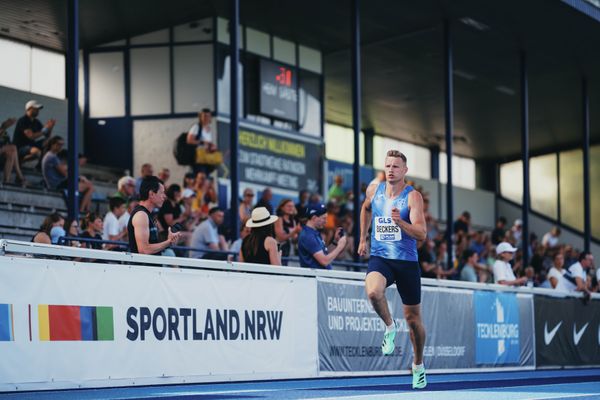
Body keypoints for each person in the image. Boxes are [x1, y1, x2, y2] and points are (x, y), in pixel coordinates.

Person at [357, 149, 427, 390]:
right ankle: (389, 326)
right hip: (381, 258)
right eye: (388, 165)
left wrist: (401, 222)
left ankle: (418, 364)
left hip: (407, 262)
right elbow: (366, 209)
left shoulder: (412, 197)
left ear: (404, 171)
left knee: (413, 320)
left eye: (396, 166)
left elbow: (422, 234)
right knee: (374, 292)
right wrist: (363, 238)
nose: (391, 170)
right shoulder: (373, 190)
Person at [128, 176, 181, 255]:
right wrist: (168, 242)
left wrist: (169, 240)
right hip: (143, 267)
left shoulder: (148, 215)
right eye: (162, 192)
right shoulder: (141, 215)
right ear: (151, 194)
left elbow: (152, 246)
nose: (165, 196)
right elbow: (144, 250)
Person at [41, 139, 95, 213]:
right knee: (90, 186)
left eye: (62, 145)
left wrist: (80, 178)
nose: (60, 147)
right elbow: (66, 174)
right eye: (58, 144)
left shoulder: (52, 156)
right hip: (57, 184)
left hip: (61, 182)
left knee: (89, 185)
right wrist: (79, 175)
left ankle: (86, 210)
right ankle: (82, 210)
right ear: (52, 145)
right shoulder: (52, 157)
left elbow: (65, 171)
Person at [187, 108, 218, 174]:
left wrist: (212, 146)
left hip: (207, 158)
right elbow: (189, 140)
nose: (206, 118)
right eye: (204, 116)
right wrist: (202, 142)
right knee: (200, 175)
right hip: (198, 158)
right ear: (200, 117)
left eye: (208, 116)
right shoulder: (196, 127)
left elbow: (207, 143)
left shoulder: (209, 128)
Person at [0, 117, 26, 185]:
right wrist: (3, 127)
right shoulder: (2, 130)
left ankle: (7, 180)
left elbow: (10, 147)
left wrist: (3, 129)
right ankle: (20, 176)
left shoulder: (5, 134)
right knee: (13, 148)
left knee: (11, 152)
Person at [274, 199, 302, 264]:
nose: (291, 208)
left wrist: (300, 233)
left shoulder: (293, 221)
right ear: (282, 207)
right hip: (279, 250)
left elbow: (294, 239)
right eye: (288, 206)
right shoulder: (278, 219)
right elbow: (280, 238)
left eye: (292, 206)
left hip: (290, 252)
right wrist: (294, 231)